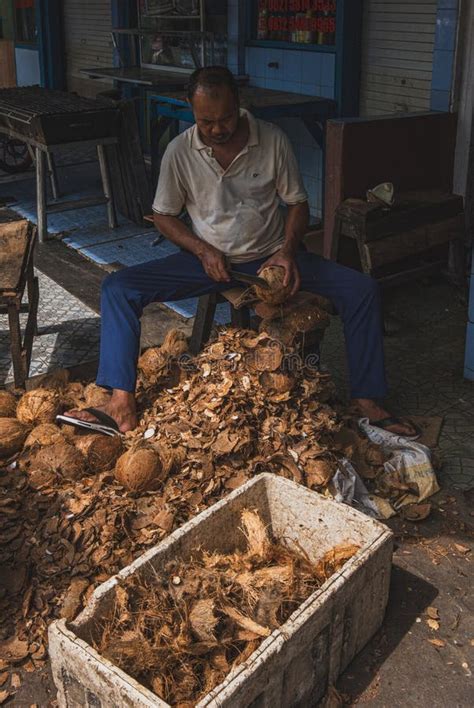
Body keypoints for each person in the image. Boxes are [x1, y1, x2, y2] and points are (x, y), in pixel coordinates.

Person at [63, 66, 418, 438]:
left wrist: (286, 253)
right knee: (118, 288)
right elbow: (164, 216)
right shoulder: (179, 152)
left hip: (268, 260)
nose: (217, 128)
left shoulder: (273, 140)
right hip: (206, 262)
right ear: (190, 108)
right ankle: (121, 405)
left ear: (239, 104)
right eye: (206, 121)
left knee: (362, 290)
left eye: (226, 118)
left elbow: (297, 203)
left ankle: (367, 401)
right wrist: (202, 250)